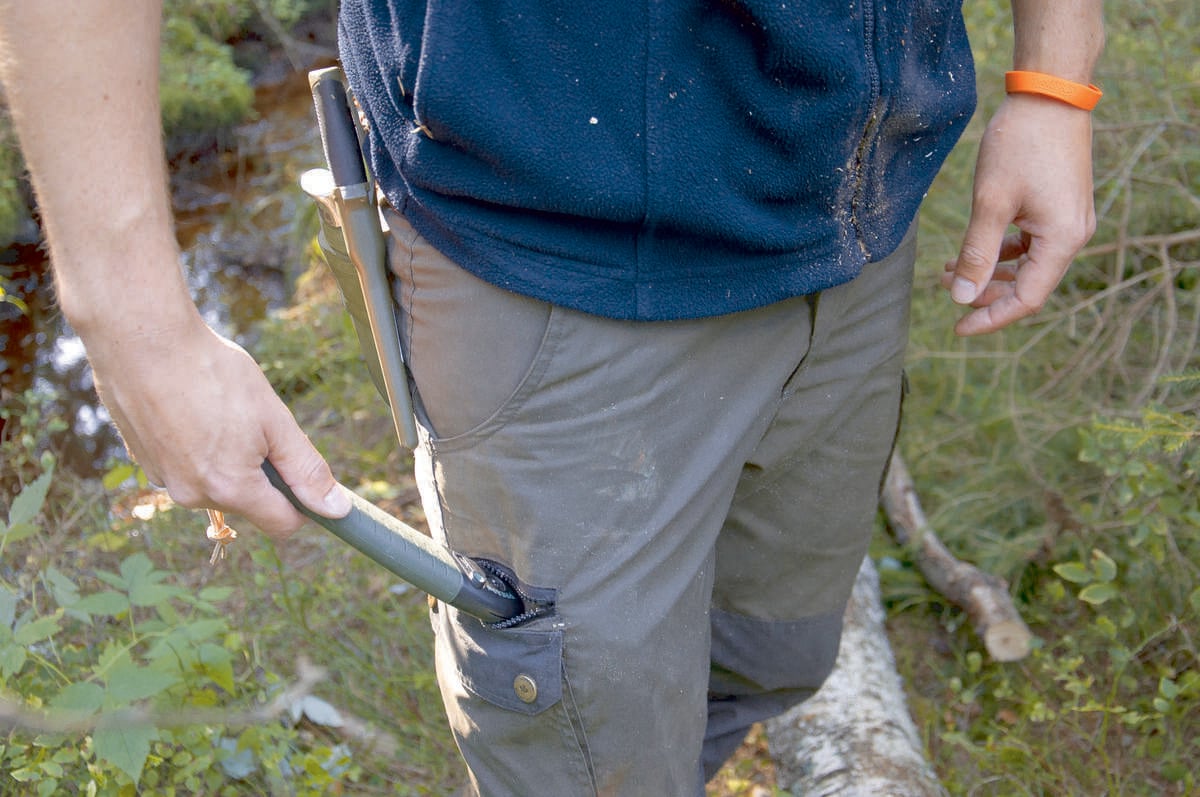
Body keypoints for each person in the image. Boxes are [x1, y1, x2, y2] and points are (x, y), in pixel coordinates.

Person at [0, 1, 1103, 794]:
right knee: (586, 758)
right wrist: (133, 323)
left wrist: (1057, 76)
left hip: (862, 208)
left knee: (776, 652)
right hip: (549, 256)